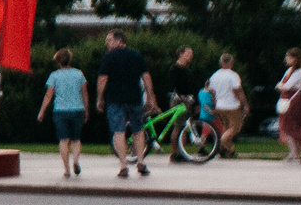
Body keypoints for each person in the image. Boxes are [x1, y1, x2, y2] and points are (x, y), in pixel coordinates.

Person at [95, 30, 155, 180]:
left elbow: (102, 79)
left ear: (119, 40)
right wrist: (150, 97)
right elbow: (146, 77)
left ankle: (123, 165)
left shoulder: (108, 57)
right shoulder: (136, 55)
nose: (107, 43)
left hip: (115, 99)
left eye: (109, 40)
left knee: (118, 131)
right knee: (138, 130)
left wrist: (99, 98)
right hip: (134, 98)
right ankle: (140, 162)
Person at [38, 48, 88, 177]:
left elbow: (49, 95)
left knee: (63, 140)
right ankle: (76, 161)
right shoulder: (79, 74)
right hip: (77, 109)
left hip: (60, 111)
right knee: (76, 139)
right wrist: (86, 109)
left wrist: (42, 111)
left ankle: (66, 169)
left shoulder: (54, 75)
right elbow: (84, 93)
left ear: (58, 61)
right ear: (70, 60)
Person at [165, 47, 204, 161]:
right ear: (181, 54)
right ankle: (174, 152)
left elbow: (191, 87)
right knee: (178, 126)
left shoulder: (187, 70)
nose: (190, 56)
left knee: (185, 126)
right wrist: (179, 95)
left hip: (188, 100)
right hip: (179, 100)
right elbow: (172, 85)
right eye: (188, 53)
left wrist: (195, 102)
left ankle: (182, 152)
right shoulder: (175, 69)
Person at [277, 47, 301, 164]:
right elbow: (282, 84)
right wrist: (281, 85)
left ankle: (295, 154)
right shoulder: (290, 70)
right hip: (287, 100)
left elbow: (285, 86)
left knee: (290, 128)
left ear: (295, 59)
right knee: (287, 128)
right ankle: (293, 153)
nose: (286, 59)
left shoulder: (299, 72)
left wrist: (281, 86)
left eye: (289, 57)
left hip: (293, 101)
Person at [207, 53, 246, 158]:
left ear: (221, 62)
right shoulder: (232, 75)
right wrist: (245, 104)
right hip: (231, 106)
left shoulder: (214, 76)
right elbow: (238, 91)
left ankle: (228, 150)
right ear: (231, 63)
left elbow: (212, 93)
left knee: (227, 127)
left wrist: (215, 106)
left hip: (220, 106)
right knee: (235, 127)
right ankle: (221, 142)